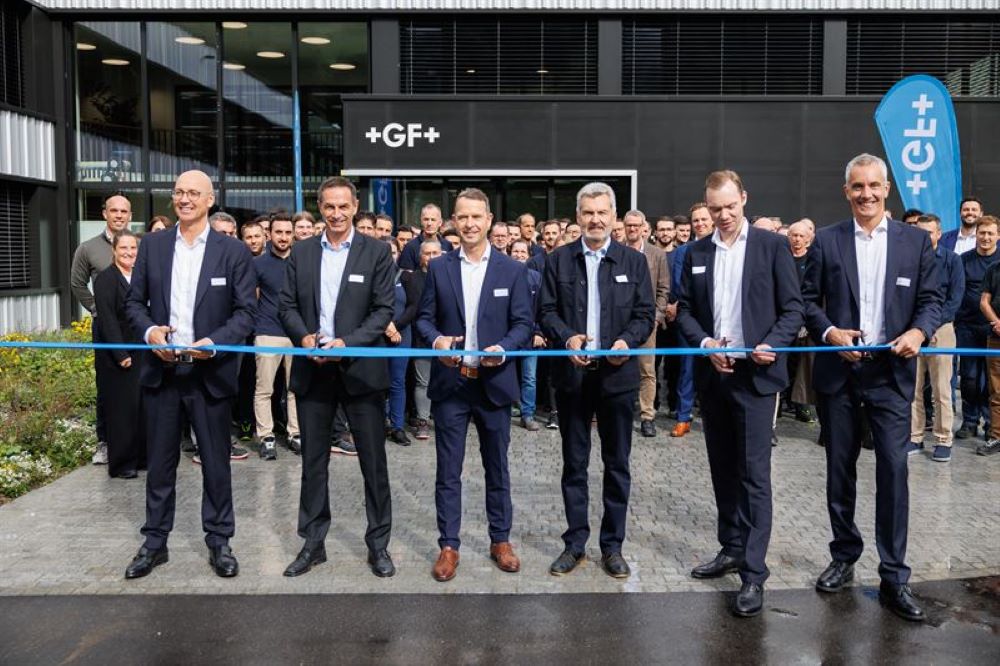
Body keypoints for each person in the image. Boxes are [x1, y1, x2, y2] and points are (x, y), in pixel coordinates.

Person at [802, 153, 940, 622]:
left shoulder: (915, 243)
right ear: (847, 191)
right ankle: (844, 555)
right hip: (839, 375)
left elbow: (931, 300)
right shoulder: (826, 241)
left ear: (887, 189)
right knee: (839, 470)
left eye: (874, 186)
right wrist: (829, 333)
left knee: (893, 473)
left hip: (891, 375)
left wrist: (919, 332)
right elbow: (805, 302)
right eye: (857, 187)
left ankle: (894, 575)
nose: (866, 194)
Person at [676, 170, 804, 618]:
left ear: (744, 199)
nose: (724, 216)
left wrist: (773, 341)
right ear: (706, 209)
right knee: (722, 470)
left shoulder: (772, 247)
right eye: (715, 210)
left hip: (755, 379)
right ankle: (730, 548)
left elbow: (793, 308)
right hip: (715, 376)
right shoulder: (695, 252)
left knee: (753, 476)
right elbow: (686, 311)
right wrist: (706, 344)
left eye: (730, 206)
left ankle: (753, 573)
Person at [123, 170, 257, 580]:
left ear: (210, 200)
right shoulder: (154, 246)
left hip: (209, 373)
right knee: (160, 465)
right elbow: (134, 303)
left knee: (216, 463)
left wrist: (213, 342)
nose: (185, 199)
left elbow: (245, 314)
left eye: (193, 193)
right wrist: (149, 332)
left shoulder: (232, 252)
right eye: (179, 192)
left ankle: (219, 541)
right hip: (162, 371)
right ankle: (155, 543)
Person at [278, 176, 396, 579]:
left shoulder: (377, 252)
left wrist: (347, 342)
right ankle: (313, 544)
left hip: (361, 372)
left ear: (355, 205)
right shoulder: (302, 252)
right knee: (313, 464)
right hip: (314, 370)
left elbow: (383, 310)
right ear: (320, 207)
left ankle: (378, 544)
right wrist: (304, 336)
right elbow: (287, 305)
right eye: (329, 206)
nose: (336, 213)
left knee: (374, 464)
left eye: (343, 206)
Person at [416, 187, 533, 582]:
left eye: (476, 217)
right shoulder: (440, 267)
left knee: (496, 467)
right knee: (448, 471)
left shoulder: (512, 270)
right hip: (452, 384)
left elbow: (523, 324)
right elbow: (425, 319)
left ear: (489, 221)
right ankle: (449, 545)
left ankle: (500, 539)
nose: (469, 224)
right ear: (454, 220)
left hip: (494, 385)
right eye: (462, 217)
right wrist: (437, 342)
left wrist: (505, 347)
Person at [538, 182, 655, 580]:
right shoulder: (558, 261)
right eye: (588, 213)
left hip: (617, 379)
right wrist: (566, 336)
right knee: (574, 464)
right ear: (578, 217)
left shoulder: (632, 262)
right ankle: (574, 544)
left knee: (616, 464)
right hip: (572, 378)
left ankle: (612, 546)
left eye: (602, 212)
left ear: (614, 217)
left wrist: (627, 340)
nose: (595, 219)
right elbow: (546, 310)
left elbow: (645, 313)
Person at [73, 192, 132, 465]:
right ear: (104, 214)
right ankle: (105, 441)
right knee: (106, 385)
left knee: (135, 385)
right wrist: (98, 310)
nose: (119, 215)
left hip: (133, 328)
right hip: (105, 327)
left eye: (124, 211)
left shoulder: (137, 244)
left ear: (130, 215)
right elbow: (77, 284)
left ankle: (133, 440)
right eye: (114, 210)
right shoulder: (88, 248)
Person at [908, 214, 963, 461]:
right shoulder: (907, 259)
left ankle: (943, 439)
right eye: (920, 232)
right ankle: (915, 437)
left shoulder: (952, 260)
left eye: (929, 232)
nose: (924, 236)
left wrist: (929, 326)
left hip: (941, 329)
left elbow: (955, 298)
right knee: (913, 388)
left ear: (939, 234)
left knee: (941, 389)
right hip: (912, 331)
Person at [93, 230, 146, 479]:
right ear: (114, 250)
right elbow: (107, 320)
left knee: (141, 407)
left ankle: (142, 458)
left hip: (142, 351)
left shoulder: (140, 276)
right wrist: (120, 353)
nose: (128, 253)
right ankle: (123, 463)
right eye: (123, 248)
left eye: (133, 248)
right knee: (121, 410)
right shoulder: (105, 279)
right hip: (118, 355)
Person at [253, 215, 300, 460]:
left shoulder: (301, 261)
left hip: (297, 334)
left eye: (287, 232)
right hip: (267, 331)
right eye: (278, 232)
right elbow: (253, 297)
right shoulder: (258, 264)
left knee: (295, 389)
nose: (283, 237)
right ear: (269, 234)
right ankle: (266, 437)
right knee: (264, 389)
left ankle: (295, 433)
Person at [669, 202, 714, 438]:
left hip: (716, 323)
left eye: (704, 219)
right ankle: (683, 417)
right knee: (686, 370)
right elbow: (679, 285)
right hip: (689, 322)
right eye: (696, 220)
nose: (700, 224)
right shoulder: (683, 252)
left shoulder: (719, 249)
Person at [623, 210, 670, 437]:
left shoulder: (657, 254)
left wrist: (656, 316)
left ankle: (647, 417)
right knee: (618, 366)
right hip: (619, 322)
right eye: (628, 225)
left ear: (644, 227)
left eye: (636, 225)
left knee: (647, 370)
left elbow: (663, 289)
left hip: (646, 322)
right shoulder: (616, 251)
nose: (632, 229)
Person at [955, 216, 1000, 439]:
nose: (985, 237)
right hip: (967, 326)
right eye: (982, 233)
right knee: (970, 377)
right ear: (976, 234)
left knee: (990, 381)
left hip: (993, 329)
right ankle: (969, 421)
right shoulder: (963, 260)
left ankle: (990, 423)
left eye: (990, 233)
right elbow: (956, 290)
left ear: (998, 236)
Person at [385, 237, 421, 445]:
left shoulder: (407, 277)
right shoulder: (371, 276)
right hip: (377, 336)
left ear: (398, 253)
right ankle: (381, 423)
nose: (389, 256)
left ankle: (397, 426)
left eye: (392, 251)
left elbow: (413, 307)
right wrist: (385, 326)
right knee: (377, 383)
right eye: (384, 252)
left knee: (398, 382)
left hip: (401, 335)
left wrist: (395, 326)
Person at [510, 239, 546, 430]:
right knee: (504, 374)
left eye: (523, 252)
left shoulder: (536, 278)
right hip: (507, 338)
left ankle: (528, 414)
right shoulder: (501, 276)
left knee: (529, 378)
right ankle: (504, 410)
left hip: (531, 337)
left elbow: (542, 309)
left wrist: (539, 332)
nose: (519, 255)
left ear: (529, 255)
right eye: (515, 251)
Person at [976, 222, 1000, 457]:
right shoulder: (994, 269)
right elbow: (984, 301)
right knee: (997, 392)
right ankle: (997, 436)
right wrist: (997, 323)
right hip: (996, 338)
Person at [399, 203, 453, 270]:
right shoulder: (410, 247)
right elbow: (405, 276)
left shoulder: (447, 245)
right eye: (426, 219)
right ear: (421, 221)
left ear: (440, 222)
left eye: (433, 220)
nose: (429, 223)